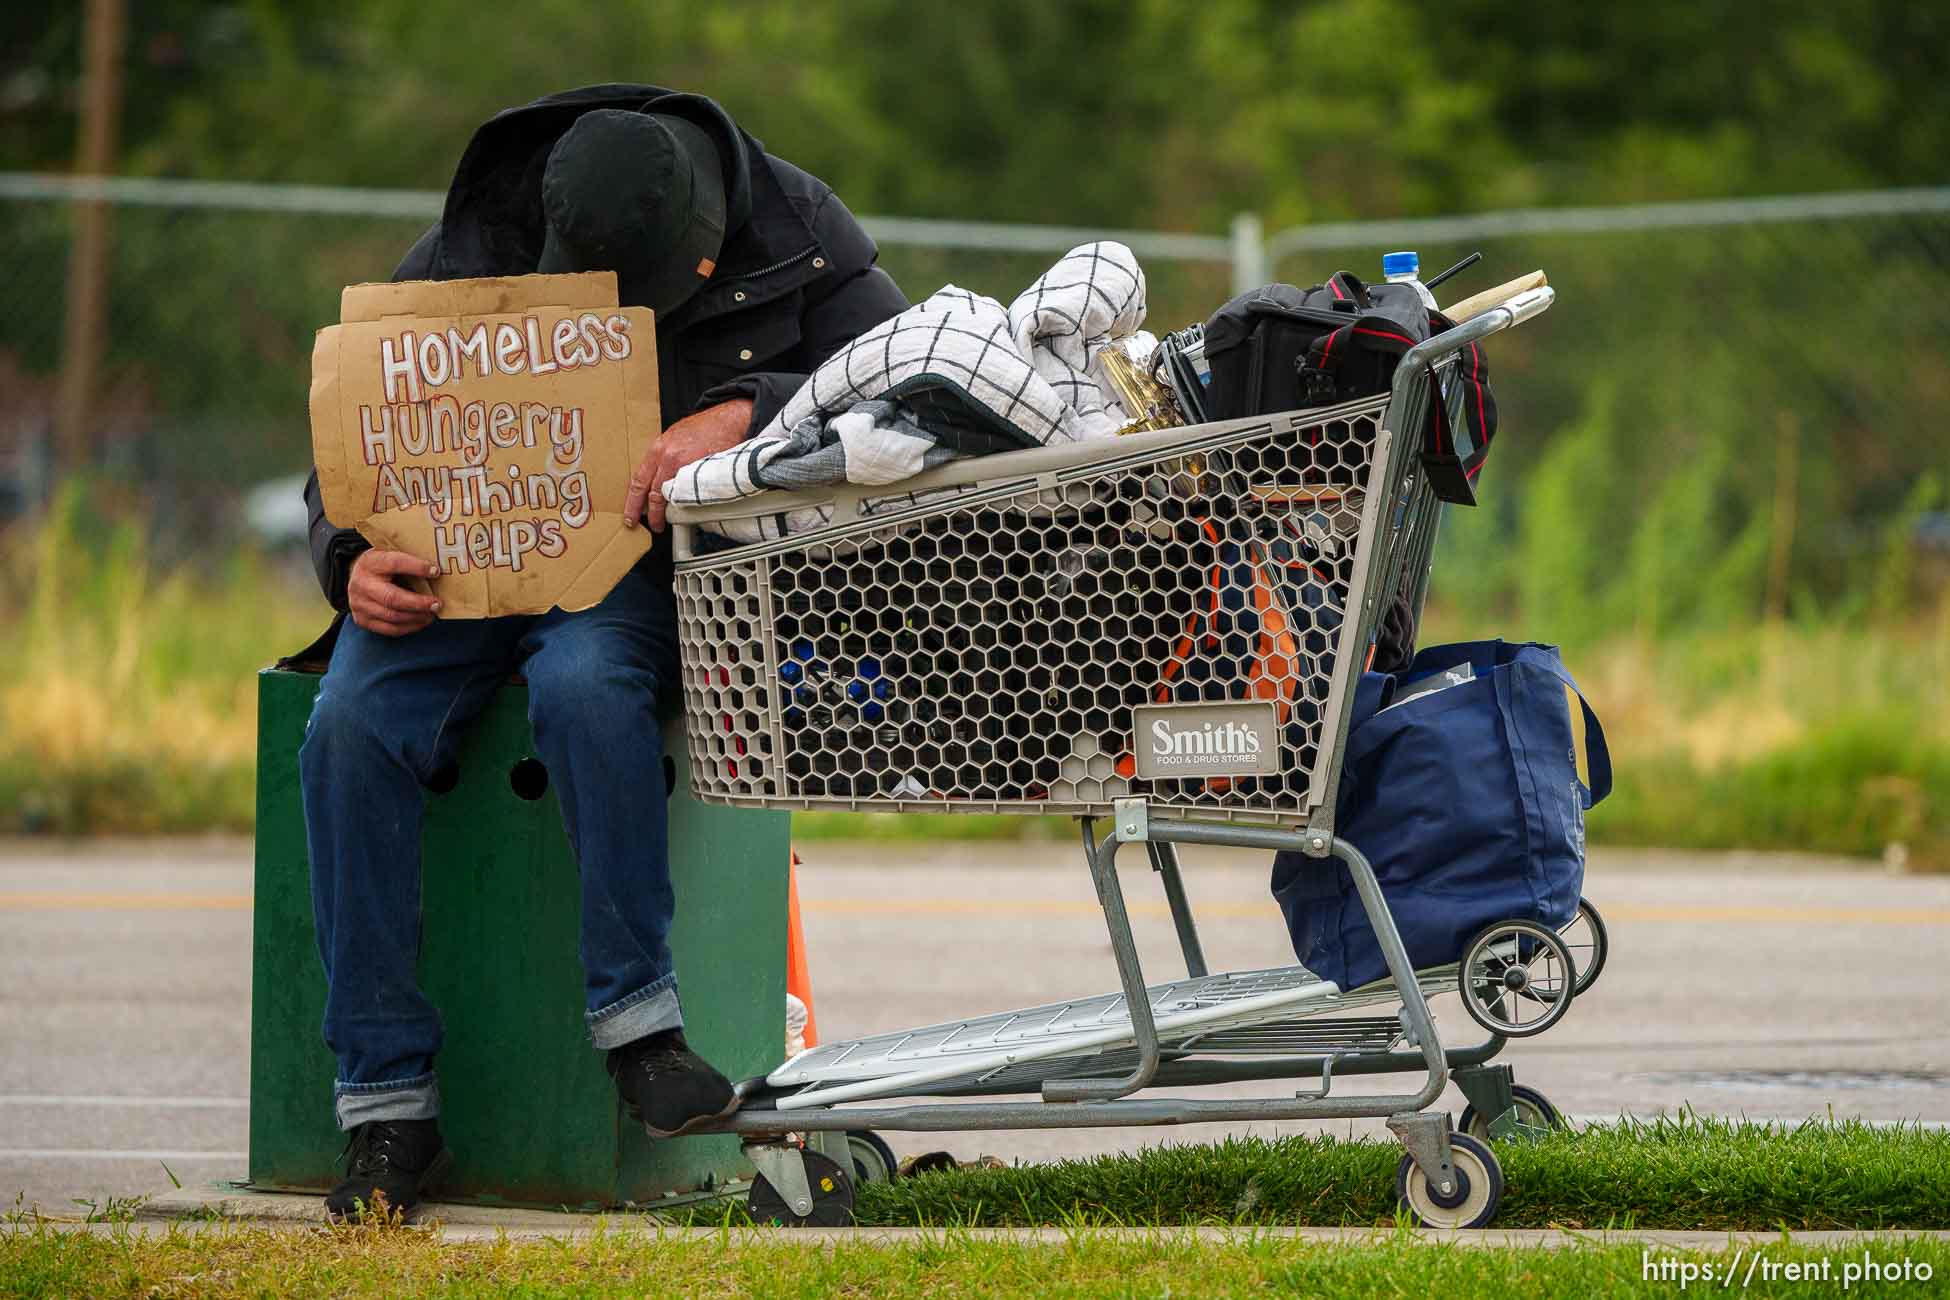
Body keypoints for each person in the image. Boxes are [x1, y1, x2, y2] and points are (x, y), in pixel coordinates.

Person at [296, 85, 907, 1221]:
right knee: (342, 730)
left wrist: (749, 409)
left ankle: (641, 1032)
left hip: (626, 579)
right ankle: (383, 1102)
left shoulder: (805, 234)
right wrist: (346, 558)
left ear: (708, 231)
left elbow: (917, 386)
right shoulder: (468, 243)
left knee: (584, 688)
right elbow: (354, 437)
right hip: (450, 583)